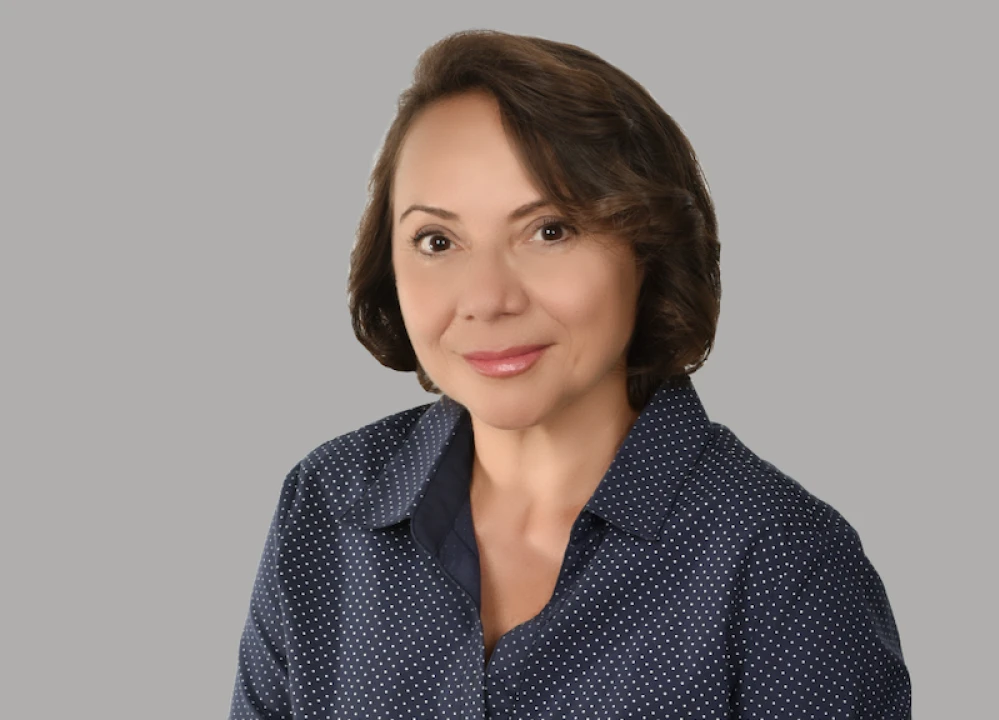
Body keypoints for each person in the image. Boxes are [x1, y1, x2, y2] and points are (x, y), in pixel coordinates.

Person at [229, 29, 911, 719]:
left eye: (549, 230)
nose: (488, 299)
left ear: (648, 248)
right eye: (438, 241)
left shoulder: (785, 562)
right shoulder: (327, 505)